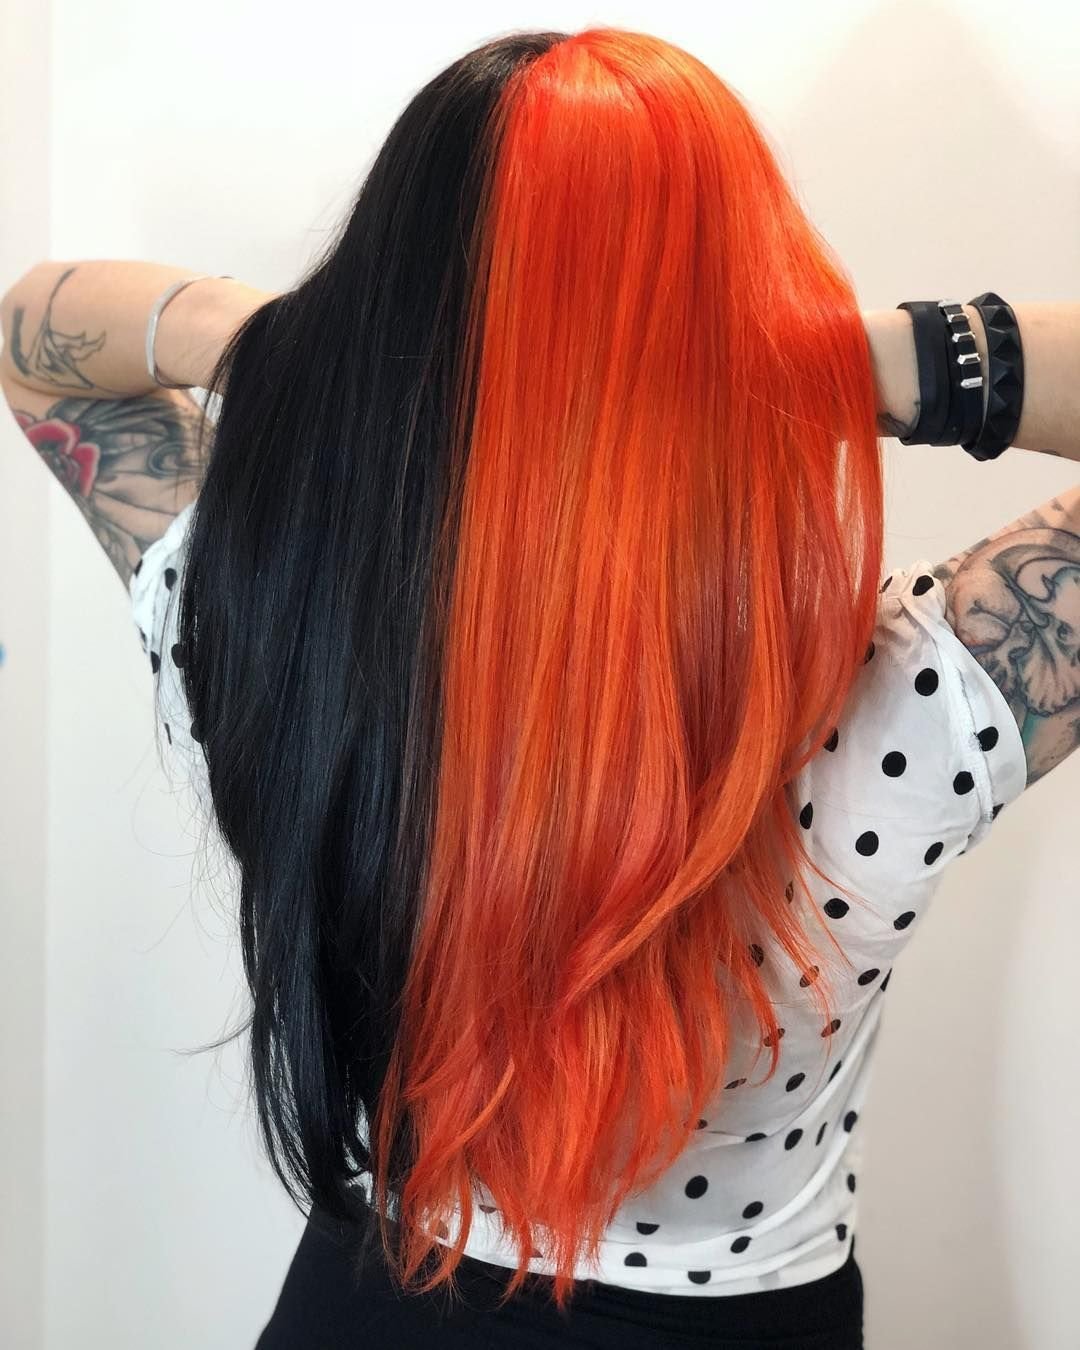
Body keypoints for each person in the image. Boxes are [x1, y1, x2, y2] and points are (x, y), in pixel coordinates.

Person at [2, 24, 1077, 1350]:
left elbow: (38, 333)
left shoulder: (261, 622)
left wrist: (295, 344)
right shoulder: (901, 698)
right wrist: (827, 361)